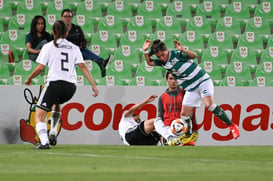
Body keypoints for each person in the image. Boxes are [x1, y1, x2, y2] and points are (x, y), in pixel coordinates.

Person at [143, 39, 240, 145]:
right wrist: (145, 51)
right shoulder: (162, 62)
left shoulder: (176, 54)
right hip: (191, 88)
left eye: (162, 54)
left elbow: (194, 56)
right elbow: (150, 62)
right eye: (159, 56)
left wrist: (183, 50)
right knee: (184, 114)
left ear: (166, 50)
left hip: (202, 80)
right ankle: (188, 138)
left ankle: (232, 126)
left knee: (210, 105)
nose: (161, 58)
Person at [25, 20, 98, 149]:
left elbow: (40, 68)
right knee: (56, 103)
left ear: (52, 32)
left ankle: (44, 142)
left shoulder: (48, 46)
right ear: (67, 32)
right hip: (70, 88)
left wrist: (29, 78)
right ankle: (53, 131)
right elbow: (83, 66)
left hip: (55, 84)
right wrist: (93, 84)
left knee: (38, 113)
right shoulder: (74, 47)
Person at [61, 9, 113, 76]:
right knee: (82, 52)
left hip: (77, 50)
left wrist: (83, 45)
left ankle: (101, 66)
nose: (67, 18)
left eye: (69, 16)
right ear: (61, 17)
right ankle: (102, 62)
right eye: (65, 16)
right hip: (64, 51)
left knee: (83, 51)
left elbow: (83, 40)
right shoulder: (58, 29)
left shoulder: (77, 28)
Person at [154, 71, 198, 146]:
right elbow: (160, 115)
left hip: (181, 127)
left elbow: (189, 112)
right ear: (166, 80)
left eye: (175, 79)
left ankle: (184, 137)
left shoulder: (184, 93)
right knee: (157, 120)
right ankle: (170, 138)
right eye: (170, 79)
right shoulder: (162, 97)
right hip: (168, 128)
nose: (173, 81)